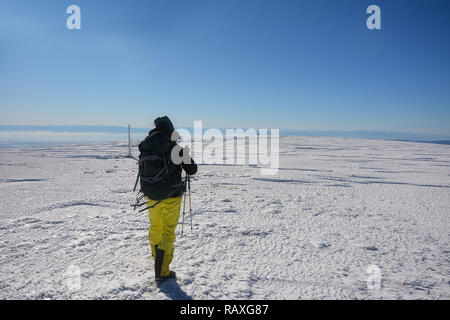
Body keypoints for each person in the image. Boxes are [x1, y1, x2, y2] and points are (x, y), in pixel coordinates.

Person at [138, 116, 197, 283]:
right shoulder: (175, 148)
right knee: (168, 231)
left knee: (155, 228)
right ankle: (162, 271)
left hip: (151, 196)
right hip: (171, 196)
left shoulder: (146, 146)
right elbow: (192, 170)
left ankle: (158, 260)